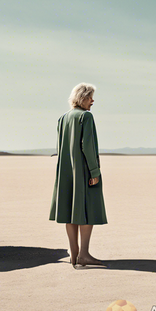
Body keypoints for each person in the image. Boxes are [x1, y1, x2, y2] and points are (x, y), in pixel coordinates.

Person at [50, 83, 107, 267]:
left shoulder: (63, 118)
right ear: (82, 97)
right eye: (90, 97)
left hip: (66, 172)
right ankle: (84, 254)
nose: (92, 101)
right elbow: (87, 147)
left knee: (70, 211)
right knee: (86, 211)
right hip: (83, 170)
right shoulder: (86, 117)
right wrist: (95, 171)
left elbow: (61, 148)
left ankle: (73, 253)